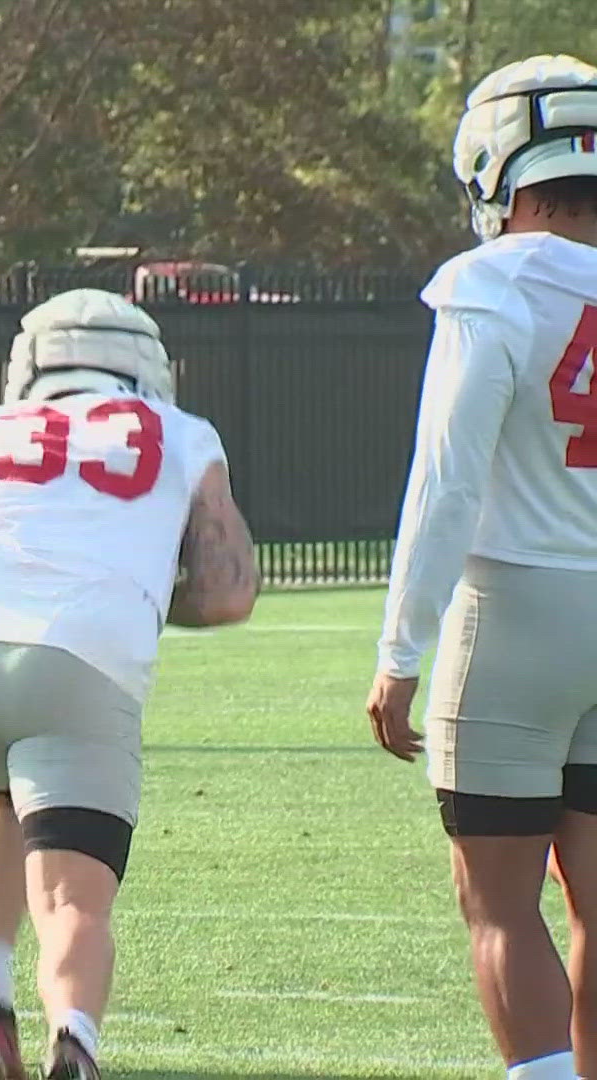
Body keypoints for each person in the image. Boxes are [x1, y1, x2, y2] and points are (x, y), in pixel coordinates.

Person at [0, 289, 256, 1079]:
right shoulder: (184, 435)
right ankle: (72, 1039)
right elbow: (226, 592)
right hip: (79, 657)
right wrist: (139, 593)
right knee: (75, 899)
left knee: (0, 793)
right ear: (145, 365)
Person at [368, 54, 597, 1080]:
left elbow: (448, 482)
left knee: (499, 905)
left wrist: (398, 650)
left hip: (514, 607)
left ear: (494, 163)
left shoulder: (491, 280)